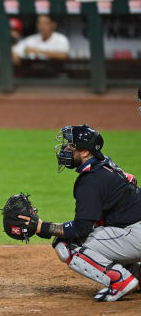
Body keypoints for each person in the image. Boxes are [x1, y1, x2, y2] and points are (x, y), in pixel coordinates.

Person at [19, 124, 141, 302]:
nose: (65, 150)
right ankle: (137, 274)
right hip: (134, 228)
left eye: (70, 146)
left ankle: (119, 279)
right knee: (103, 228)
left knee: (67, 244)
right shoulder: (105, 165)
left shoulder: (90, 180)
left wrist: (41, 227)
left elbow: (81, 229)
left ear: (85, 152)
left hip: (136, 233)